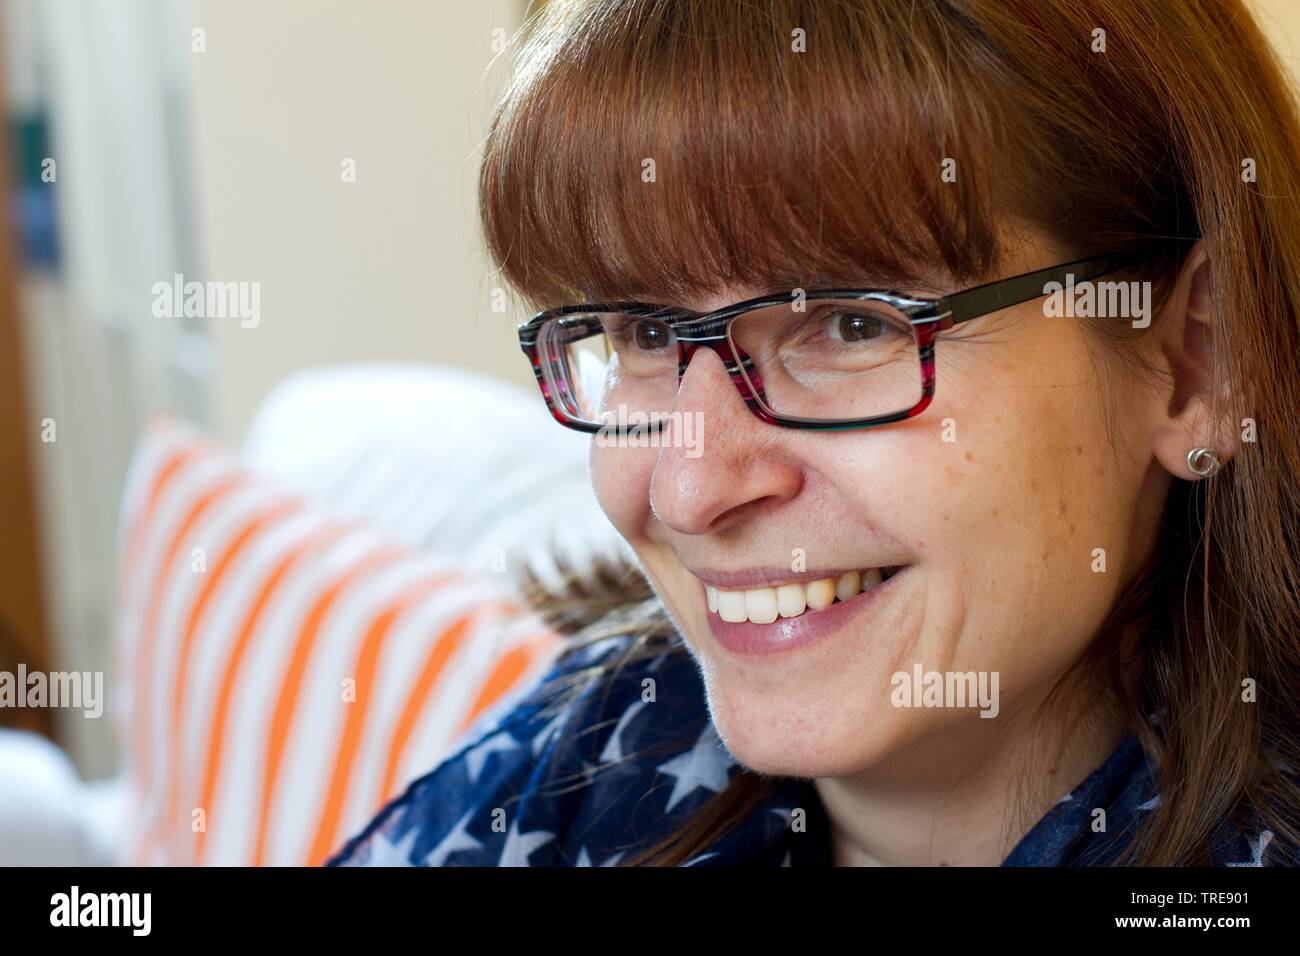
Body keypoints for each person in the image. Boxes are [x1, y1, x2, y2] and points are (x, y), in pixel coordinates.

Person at [329, 0, 1300, 867]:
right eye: (645, 332)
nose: (689, 488)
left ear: (1194, 363)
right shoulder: (581, 757)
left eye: (850, 325)